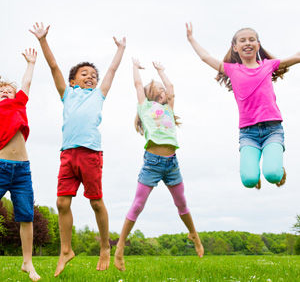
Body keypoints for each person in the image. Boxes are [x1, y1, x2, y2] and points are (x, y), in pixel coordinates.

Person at [30, 22, 126, 276]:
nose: (91, 76)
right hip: (67, 154)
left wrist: (120, 50)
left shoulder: (99, 95)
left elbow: (112, 71)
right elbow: (53, 67)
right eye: (84, 74)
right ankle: (65, 250)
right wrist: (42, 40)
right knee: (62, 202)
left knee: (96, 202)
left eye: (93, 74)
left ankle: (105, 247)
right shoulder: (67, 94)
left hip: (90, 153)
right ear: (73, 80)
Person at [114, 58, 204, 271]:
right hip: (152, 164)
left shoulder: (169, 109)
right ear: (151, 94)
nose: (164, 91)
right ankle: (119, 248)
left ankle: (194, 235)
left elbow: (172, 89)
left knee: (182, 203)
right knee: (138, 205)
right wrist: (135, 68)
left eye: (164, 89)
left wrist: (162, 71)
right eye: (160, 89)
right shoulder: (145, 108)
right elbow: (137, 85)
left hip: (172, 164)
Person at [186, 23, 300, 189]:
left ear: (258, 45)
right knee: (249, 181)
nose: (247, 43)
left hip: (272, 129)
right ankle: (254, 173)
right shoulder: (232, 70)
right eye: (242, 40)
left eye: (252, 40)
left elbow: (296, 57)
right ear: (235, 47)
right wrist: (191, 39)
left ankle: (279, 170)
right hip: (248, 133)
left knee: (273, 174)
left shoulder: (268, 65)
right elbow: (206, 57)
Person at [0, 49, 40, 281]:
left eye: (9, 91)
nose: (5, 93)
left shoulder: (18, 104)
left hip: (22, 170)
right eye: (1, 91)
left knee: (26, 216)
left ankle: (27, 263)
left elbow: (26, 82)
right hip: (1, 166)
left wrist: (31, 63)